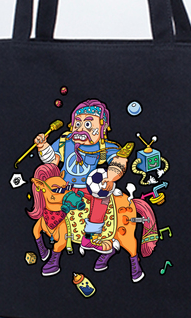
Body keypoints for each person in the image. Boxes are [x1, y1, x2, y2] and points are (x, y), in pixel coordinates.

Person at [35, 99, 132, 253]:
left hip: (87, 190)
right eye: (77, 123)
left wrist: (110, 178)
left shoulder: (104, 147)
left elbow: (117, 161)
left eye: (88, 124)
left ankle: (89, 237)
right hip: (63, 187)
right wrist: (43, 147)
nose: (80, 129)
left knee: (103, 197)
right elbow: (53, 161)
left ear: (102, 128)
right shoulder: (64, 141)